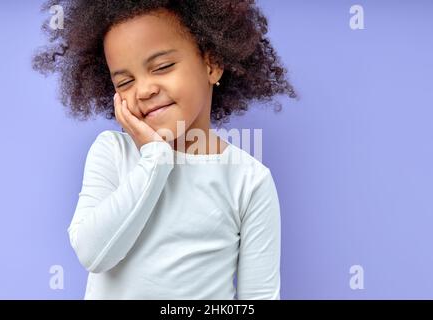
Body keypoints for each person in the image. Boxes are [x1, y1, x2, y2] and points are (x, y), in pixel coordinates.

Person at [32, 0, 297, 300]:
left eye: (162, 67)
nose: (144, 90)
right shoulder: (112, 152)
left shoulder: (249, 181)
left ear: (212, 65)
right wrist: (155, 158)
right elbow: (94, 253)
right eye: (125, 81)